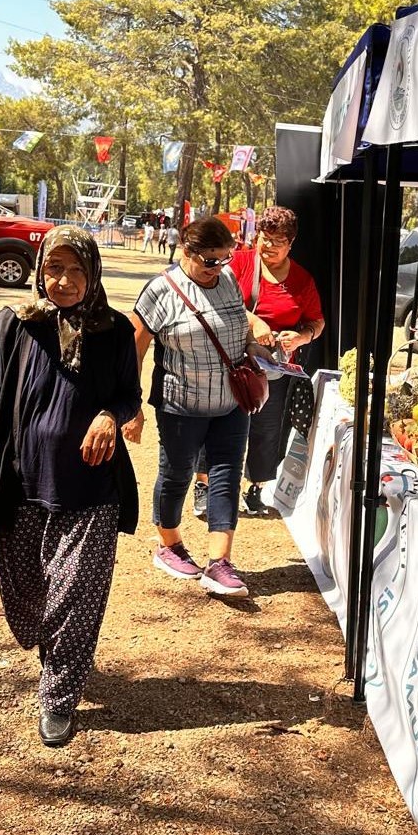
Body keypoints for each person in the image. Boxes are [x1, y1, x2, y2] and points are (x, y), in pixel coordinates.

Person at [0, 225, 140, 748]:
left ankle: (58, 697)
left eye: (77, 270)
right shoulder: (15, 325)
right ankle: (57, 649)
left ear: (93, 273)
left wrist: (109, 416)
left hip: (92, 491)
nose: (64, 281)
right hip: (20, 485)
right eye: (54, 268)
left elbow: (130, 396)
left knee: (76, 596)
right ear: (39, 271)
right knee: (29, 600)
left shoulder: (116, 330)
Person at [125, 217, 262, 598]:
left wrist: (257, 348)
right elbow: (135, 347)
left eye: (225, 258)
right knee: (177, 474)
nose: (218, 268)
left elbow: (238, 327)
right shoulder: (160, 290)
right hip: (181, 405)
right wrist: (132, 404)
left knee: (226, 474)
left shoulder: (229, 279)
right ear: (186, 252)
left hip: (232, 403)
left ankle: (220, 563)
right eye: (209, 261)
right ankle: (169, 545)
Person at [227, 206, 324, 515]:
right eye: (263, 238)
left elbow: (316, 322)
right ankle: (207, 484)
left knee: (266, 431)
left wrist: (299, 337)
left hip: (274, 370)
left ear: (291, 243)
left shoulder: (302, 280)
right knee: (224, 424)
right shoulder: (240, 262)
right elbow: (219, 300)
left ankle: (255, 487)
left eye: (276, 241)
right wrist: (254, 321)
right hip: (233, 361)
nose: (267, 246)